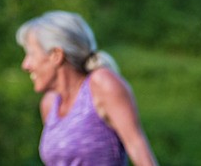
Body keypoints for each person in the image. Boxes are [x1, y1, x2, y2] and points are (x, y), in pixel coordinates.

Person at [16, 11, 159, 166]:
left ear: (56, 55)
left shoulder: (101, 84)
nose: (25, 65)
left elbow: (138, 149)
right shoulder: (49, 104)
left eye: (31, 54)